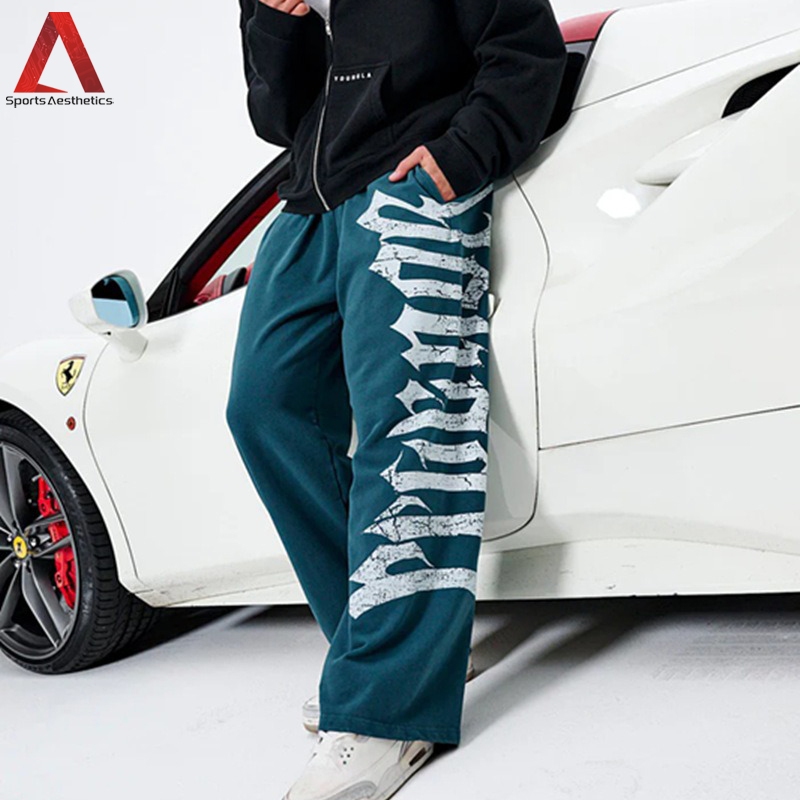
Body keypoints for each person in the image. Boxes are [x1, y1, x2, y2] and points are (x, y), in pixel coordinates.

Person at [226, 0, 567, 797]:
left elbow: (527, 49)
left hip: (411, 179)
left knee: (407, 422)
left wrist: (463, 152)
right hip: (311, 199)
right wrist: (278, 22)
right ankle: (392, 651)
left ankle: (387, 708)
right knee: (264, 407)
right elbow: (277, 118)